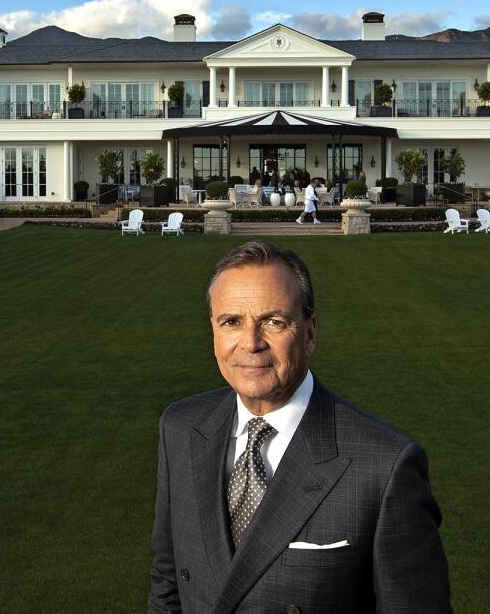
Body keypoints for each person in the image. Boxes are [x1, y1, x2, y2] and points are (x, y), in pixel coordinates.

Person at [148, 241, 453, 613]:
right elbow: (168, 582)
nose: (251, 343)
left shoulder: (385, 467)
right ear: (213, 331)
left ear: (309, 334)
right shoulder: (181, 428)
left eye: (274, 322)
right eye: (231, 322)